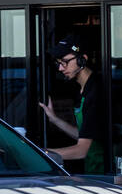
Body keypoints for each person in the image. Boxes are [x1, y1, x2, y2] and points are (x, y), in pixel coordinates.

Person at [39, 39, 107, 175]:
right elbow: (84, 135)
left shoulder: (96, 92)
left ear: (83, 60)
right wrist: (55, 120)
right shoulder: (81, 90)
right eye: (58, 63)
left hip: (104, 172)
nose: (60, 68)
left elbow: (81, 151)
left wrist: (40, 153)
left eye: (65, 62)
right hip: (92, 169)